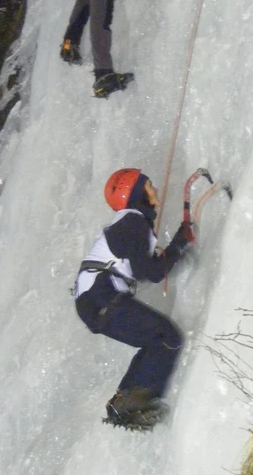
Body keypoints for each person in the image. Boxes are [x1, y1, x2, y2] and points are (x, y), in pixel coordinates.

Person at [72, 168, 195, 426]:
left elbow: (141, 268)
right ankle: (134, 403)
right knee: (168, 336)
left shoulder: (130, 225)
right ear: (137, 194)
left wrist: (166, 254)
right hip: (100, 295)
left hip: (93, 300)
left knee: (155, 340)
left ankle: (126, 403)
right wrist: (178, 243)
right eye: (149, 186)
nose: (156, 190)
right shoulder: (133, 222)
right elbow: (149, 272)